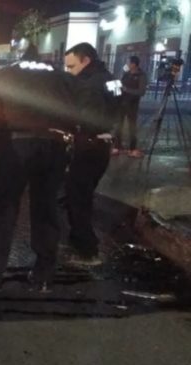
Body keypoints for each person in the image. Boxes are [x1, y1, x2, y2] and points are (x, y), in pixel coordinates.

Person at [0, 45, 77, 291]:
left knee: (4, 210)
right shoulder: (62, 78)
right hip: (54, 146)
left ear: (21, 58)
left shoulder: (3, 74)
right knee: (46, 209)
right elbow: (80, 112)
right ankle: (44, 276)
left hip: (14, 145)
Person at [63, 43, 120, 265]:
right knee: (82, 196)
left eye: (72, 66)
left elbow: (84, 119)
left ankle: (87, 251)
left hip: (88, 146)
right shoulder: (111, 78)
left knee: (78, 198)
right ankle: (78, 243)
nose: (69, 72)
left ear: (85, 60)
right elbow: (119, 106)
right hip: (103, 146)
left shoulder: (88, 85)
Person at [113, 56, 148, 157]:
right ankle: (117, 146)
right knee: (118, 126)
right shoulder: (126, 74)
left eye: (128, 62)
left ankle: (132, 148)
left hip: (132, 105)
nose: (127, 64)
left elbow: (141, 92)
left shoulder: (141, 75)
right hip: (122, 103)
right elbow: (121, 85)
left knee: (132, 127)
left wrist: (126, 89)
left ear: (134, 64)